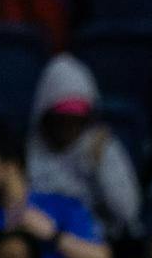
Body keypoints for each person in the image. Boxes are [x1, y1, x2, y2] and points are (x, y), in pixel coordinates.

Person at [27, 54, 142, 240]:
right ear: (46, 116)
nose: (69, 126)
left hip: (98, 243)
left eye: (76, 119)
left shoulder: (102, 146)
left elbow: (128, 213)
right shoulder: (28, 152)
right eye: (62, 119)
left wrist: (100, 167)